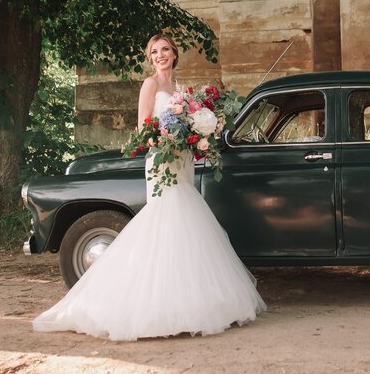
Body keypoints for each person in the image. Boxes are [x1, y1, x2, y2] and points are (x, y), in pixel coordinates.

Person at [32, 33, 266, 341]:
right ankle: (151, 304)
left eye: (165, 49)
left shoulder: (180, 90)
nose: (160, 55)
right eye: (155, 51)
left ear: (174, 54)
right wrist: (170, 140)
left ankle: (188, 303)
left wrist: (193, 138)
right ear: (150, 57)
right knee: (164, 218)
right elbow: (144, 128)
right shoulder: (151, 85)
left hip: (181, 160)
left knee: (186, 222)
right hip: (161, 160)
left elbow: (188, 125)